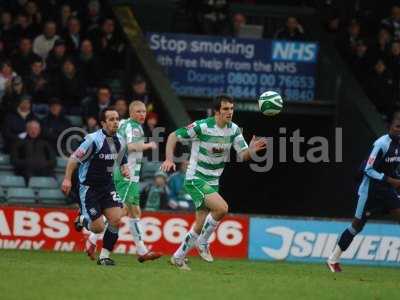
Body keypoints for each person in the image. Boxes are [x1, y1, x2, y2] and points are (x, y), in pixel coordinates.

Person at [160, 94, 267, 270]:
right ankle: (203, 241)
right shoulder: (202, 126)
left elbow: (243, 155)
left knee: (200, 222)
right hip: (196, 177)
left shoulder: (233, 130)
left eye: (231, 109)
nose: (230, 112)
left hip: (213, 180)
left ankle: (178, 258)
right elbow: (173, 136)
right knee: (222, 208)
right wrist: (169, 159)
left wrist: (252, 150)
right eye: (225, 109)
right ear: (217, 111)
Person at [85, 101, 161, 262]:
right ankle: (92, 237)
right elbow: (131, 146)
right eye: (138, 111)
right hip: (126, 175)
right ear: (131, 112)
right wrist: (149, 145)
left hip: (124, 174)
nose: (142, 114)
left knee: (131, 211)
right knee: (118, 212)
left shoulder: (124, 123)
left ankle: (141, 250)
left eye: (143, 112)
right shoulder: (133, 126)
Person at [327, 111, 400, 272]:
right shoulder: (381, 144)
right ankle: (333, 259)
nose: (399, 130)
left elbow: (393, 167)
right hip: (370, 192)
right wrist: (392, 181)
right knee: (356, 226)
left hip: (387, 191)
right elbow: (368, 169)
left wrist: (395, 180)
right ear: (390, 126)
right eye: (397, 126)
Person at [61, 107, 130, 266]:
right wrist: (67, 179)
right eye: (111, 119)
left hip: (107, 186)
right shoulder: (93, 140)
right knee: (98, 228)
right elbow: (73, 159)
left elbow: (122, 161)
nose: (115, 122)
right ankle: (82, 218)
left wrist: (125, 169)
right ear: (103, 123)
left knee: (116, 218)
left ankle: (104, 256)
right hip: (89, 188)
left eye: (117, 119)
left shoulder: (120, 140)